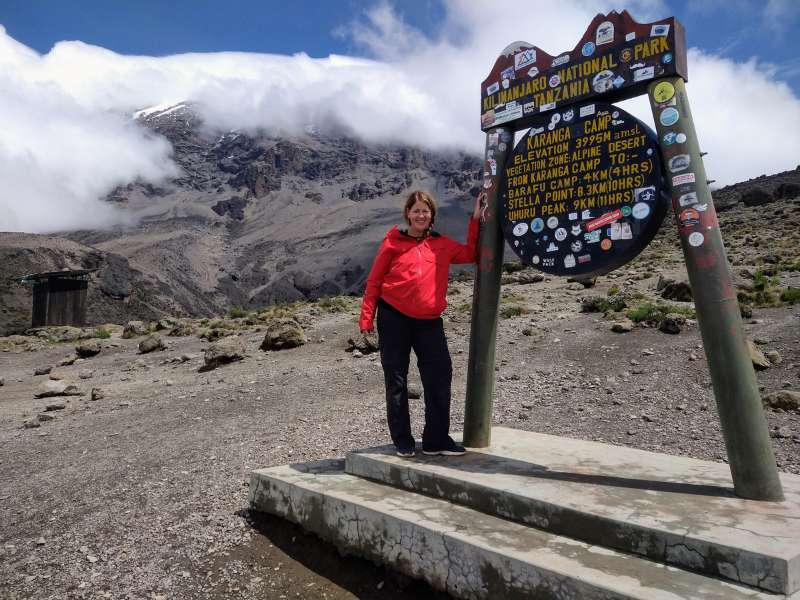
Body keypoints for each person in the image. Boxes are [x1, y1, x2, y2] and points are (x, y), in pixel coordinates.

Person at [359, 189, 484, 458]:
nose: (420, 215)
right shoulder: (392, 243)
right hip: (394, 318)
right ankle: (403, 440)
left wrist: (475, 218)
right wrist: (366, 316)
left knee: (439, 377)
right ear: (407, 214)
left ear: (432, 215)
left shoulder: (442, 244)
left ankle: (435, 440)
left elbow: (471, 253)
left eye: (425, 211)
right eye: (415, 210)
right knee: (396, 380)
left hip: (429, 322)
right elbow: (374, 281)